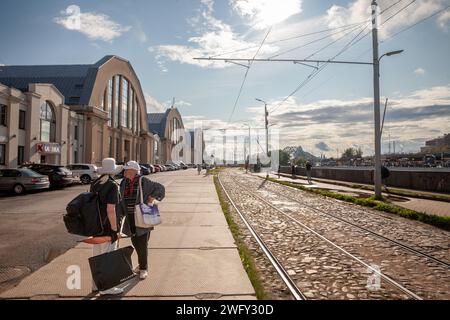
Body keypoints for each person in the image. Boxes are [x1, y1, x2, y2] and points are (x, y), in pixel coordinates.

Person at [120, 161, 165, 280]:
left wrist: (151, 198)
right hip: (130, 218)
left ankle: (144, 268)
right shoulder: (124, 182)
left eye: (126, 169)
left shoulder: (143, 181)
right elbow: (121, 199)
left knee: (142, 243)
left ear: (134, 171)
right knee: (135, 242)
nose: (124, 171)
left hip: (142, 216)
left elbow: (160, 188)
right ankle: (141, 266)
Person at [91, 158, 123, 295]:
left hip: (96, 226)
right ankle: (107, 288)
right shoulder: (112, 185)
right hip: (107, 227)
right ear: (113, 171)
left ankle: (95, 285)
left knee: (97, 256)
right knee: (108, 257)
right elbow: (111, 210)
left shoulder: (96, 183)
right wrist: (115, 230)